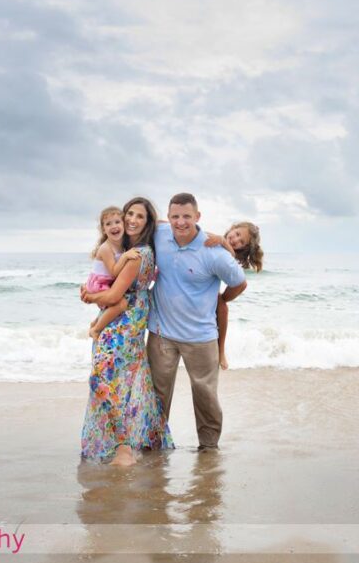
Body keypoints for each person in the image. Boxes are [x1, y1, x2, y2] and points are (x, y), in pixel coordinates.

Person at [147, 192, 248, 451]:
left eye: (187, 217)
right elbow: (142, 225)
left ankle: (209, 448)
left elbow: (239, 282)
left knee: (205, 396)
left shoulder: (214, 252)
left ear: (198, 217)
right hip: (161, 333)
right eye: (175, 217)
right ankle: (155, 444)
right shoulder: (160, 234)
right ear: (168, 217)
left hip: (201, 337)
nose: (180, 222)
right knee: (157, 393)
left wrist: (222, 299)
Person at [79, 197, 174, 466]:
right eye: (129, 214)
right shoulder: (133, 250)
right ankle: (143, 439)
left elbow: (115, 296)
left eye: (139, 217)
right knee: (130, 377)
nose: (132, 220)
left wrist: (91, 297)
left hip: (124, 318)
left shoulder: (137, 255)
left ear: (147, 223)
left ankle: (122, 446)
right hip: (132, 315)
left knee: (102, 376)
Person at [86, 206, 142, 339]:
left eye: (117, 222)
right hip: (98, 283)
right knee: (121, 303)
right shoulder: (106, 248)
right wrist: (125, 256)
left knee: (114, 303)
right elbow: (114, 272)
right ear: (103, 229)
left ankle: (95, 322)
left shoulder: (122, 243)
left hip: (106, 281)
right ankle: (96, 329)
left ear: (124, 224)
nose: (114, 226)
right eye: (108, 224)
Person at [216, 221, 263, 370]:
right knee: (221, 304)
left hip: (210, 290)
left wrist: (223, 299)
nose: (235, 240)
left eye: (241, 241)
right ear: (232, 228)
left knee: (222, 307)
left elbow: (241, 284)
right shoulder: (218, 241)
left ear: (244, 248)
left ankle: (221, 350)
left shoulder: (229, 253)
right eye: (236, 234)